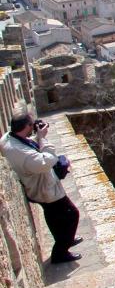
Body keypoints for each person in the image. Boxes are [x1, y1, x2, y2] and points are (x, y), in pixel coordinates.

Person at [0, 105, 83, 264]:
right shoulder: (23, 154)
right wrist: (43, 137)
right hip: (45, 190)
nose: (35, 125)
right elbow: (47, 161)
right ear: (26, 127)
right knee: (72, 214)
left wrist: (36, 136)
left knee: (53, 216)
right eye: (32, 124)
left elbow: (27, 145)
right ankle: (61, 252)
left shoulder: (8, 139)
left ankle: (66, 239)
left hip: (37, 188)